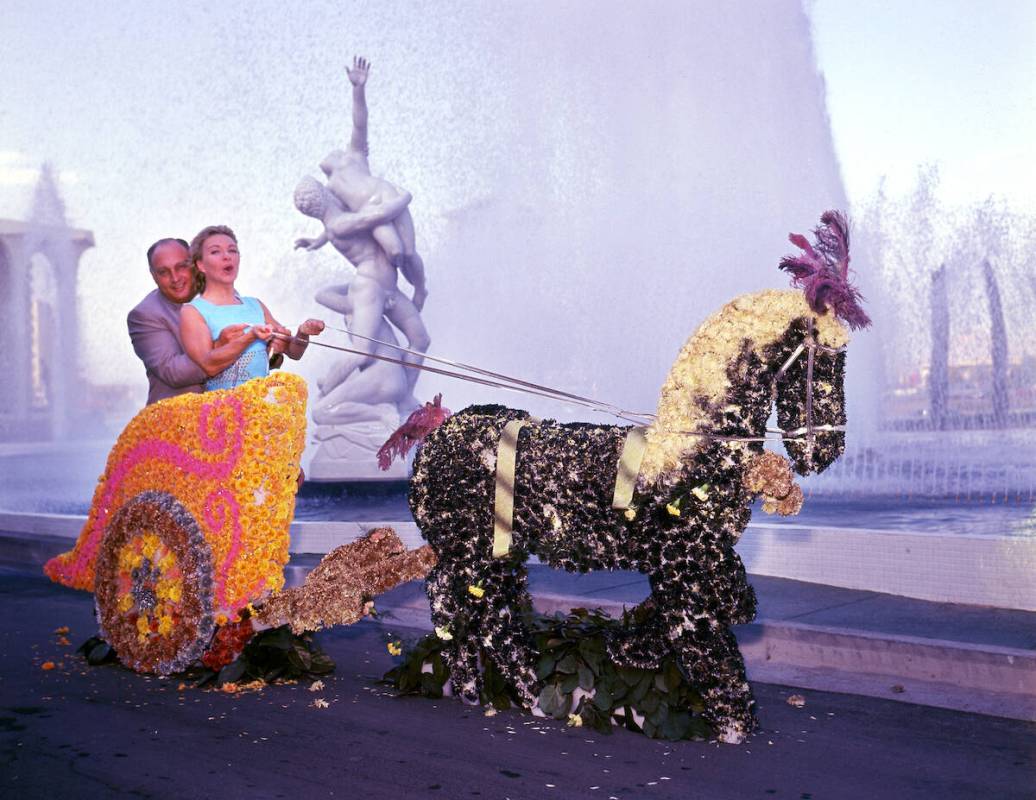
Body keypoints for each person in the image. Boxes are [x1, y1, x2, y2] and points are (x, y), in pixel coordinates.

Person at [294, 57, 430, 398]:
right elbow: (366, 220)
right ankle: (329, 386)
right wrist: (403, 199)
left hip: (389, 287)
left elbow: (359, 126)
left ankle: (407, 405)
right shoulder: (339, 216)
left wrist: (358, 89)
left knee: (420, 340)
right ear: (322, 192)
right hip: (372, 285)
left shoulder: (353, 162)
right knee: (364, 348)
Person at [320, 56, 426, 294]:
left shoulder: (354, 156)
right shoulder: (330, 189)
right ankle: (391, 289)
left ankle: (420, 288)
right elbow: (333, 219)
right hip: (370, 214)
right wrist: (317, 241)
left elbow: (359, 123)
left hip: (386, 198)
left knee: (408, 252)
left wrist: (358, 89)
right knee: (395, 252)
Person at [181, 225, 324, 390]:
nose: (227, 256)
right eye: (215, 251)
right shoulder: (192, 311)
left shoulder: (255, 304)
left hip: (261, 408)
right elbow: (209, 365)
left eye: (232, 250)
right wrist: (250, 337)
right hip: (222, 410)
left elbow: (294, 352)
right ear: (200, 265)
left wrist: (303, 333)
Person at [128, 237, 252, 405]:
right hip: (177, 423)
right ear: (153, 275)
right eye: (163, 272)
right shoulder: (144, 315)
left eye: (181, 267)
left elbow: (248, 353)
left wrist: (271, 349)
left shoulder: (219, 292)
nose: (175, 278)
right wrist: (222, 346)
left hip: (233, 415)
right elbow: (174, 372)